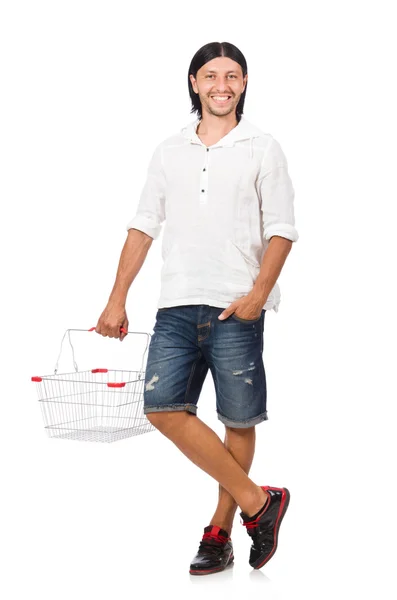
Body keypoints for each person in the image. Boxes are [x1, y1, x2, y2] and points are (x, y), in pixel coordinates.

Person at [95, 41, 299, 575]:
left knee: (238, 418)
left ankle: (220, 531)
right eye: (211, 75)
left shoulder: (263, 147)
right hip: (176, 304)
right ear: (194, 83)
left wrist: (257, 295)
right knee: (162, 408)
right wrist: (116, 298)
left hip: (236, 305)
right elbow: (143, 226)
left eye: (233, 76)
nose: (222, 85)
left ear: (245, 83)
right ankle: (261, 503)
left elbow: (281, 230)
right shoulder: (169, 150)